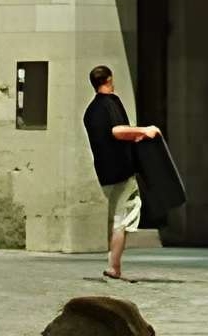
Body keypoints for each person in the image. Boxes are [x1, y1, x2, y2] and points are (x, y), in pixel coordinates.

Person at [81, 66, 158, 284]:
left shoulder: (90, 110)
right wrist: (144, 131)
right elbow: (117, 130)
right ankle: (114, 266)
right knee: (122, 219)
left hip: (104, 172)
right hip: (122, 170)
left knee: (116, 216)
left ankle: (113, 263)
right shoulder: (110, 103)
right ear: (109, 79)